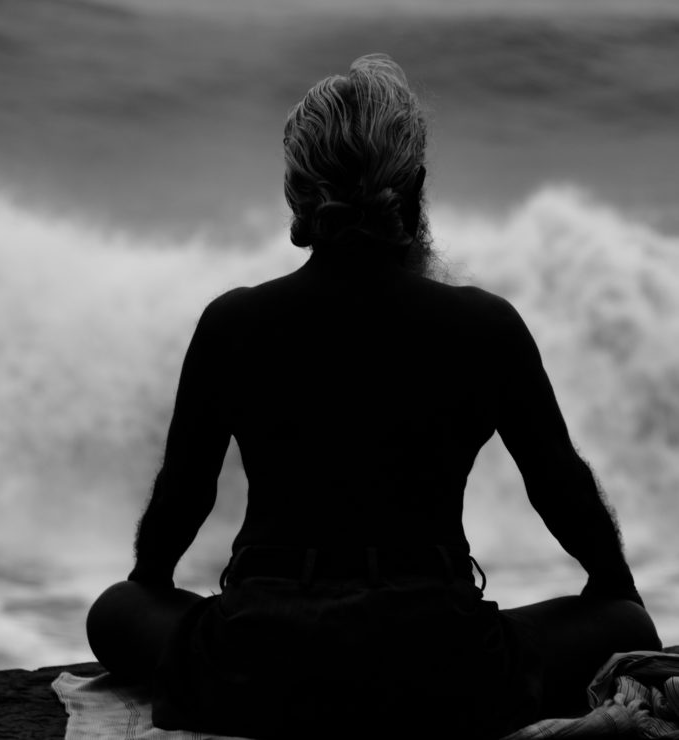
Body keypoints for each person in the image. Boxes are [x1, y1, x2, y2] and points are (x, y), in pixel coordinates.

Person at [86, 54, 661, 739]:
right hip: (439, 667)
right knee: (625, 625)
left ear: (298, 198)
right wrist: (615, 589)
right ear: (413, 189)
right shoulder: (483, 325)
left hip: (258, 662)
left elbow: (183, 495)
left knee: (117, 610)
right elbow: (559, 486)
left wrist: (153, 586)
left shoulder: (234, 323)